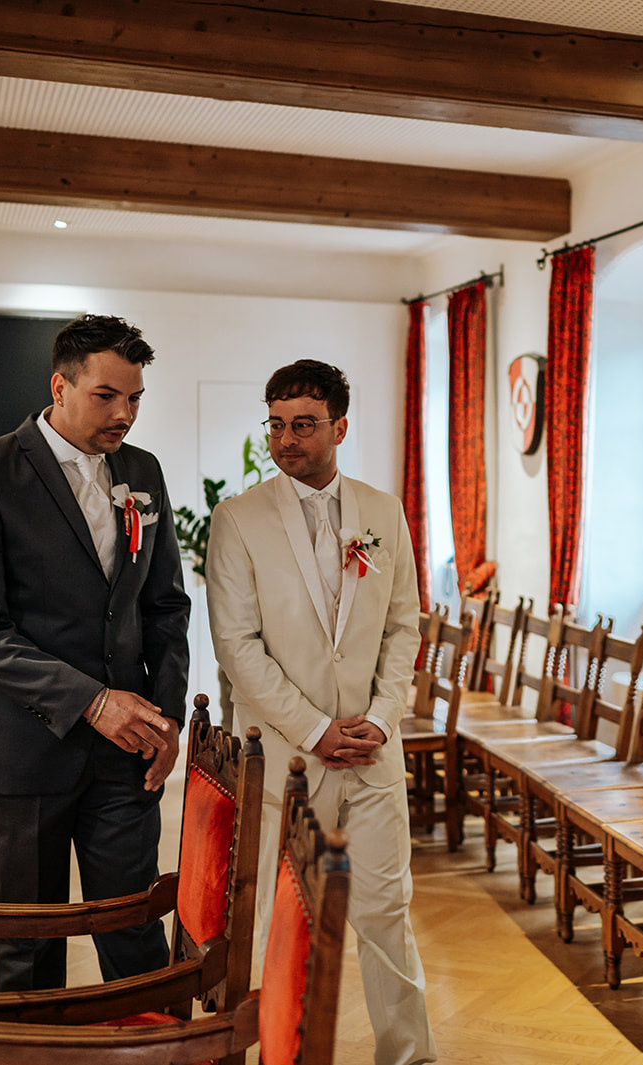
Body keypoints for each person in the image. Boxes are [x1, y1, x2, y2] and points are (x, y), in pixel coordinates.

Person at [0, 313, 190, 992]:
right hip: (22, 749)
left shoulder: (143, 471)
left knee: (135, 927)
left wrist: (166, 719)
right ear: (60, 386)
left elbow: (165, 605)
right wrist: (94, 702)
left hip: (128, 751)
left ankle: (147, 1038)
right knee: (29, 941)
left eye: (134, 397)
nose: (124, 413)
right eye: (107, 395)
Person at [206, 359, 434, 1065]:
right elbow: (237, 646)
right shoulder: (238, 519)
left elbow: (403, 627)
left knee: (386, 913)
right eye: (276, 425)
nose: (286, 439)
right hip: (287, 759)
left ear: (339, 427)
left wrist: (384, 716)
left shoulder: (382, 511)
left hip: (371, 754)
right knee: (277, 918)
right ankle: (274, 1052)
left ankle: (409, 1056)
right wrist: (314, 729)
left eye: (303, 425)